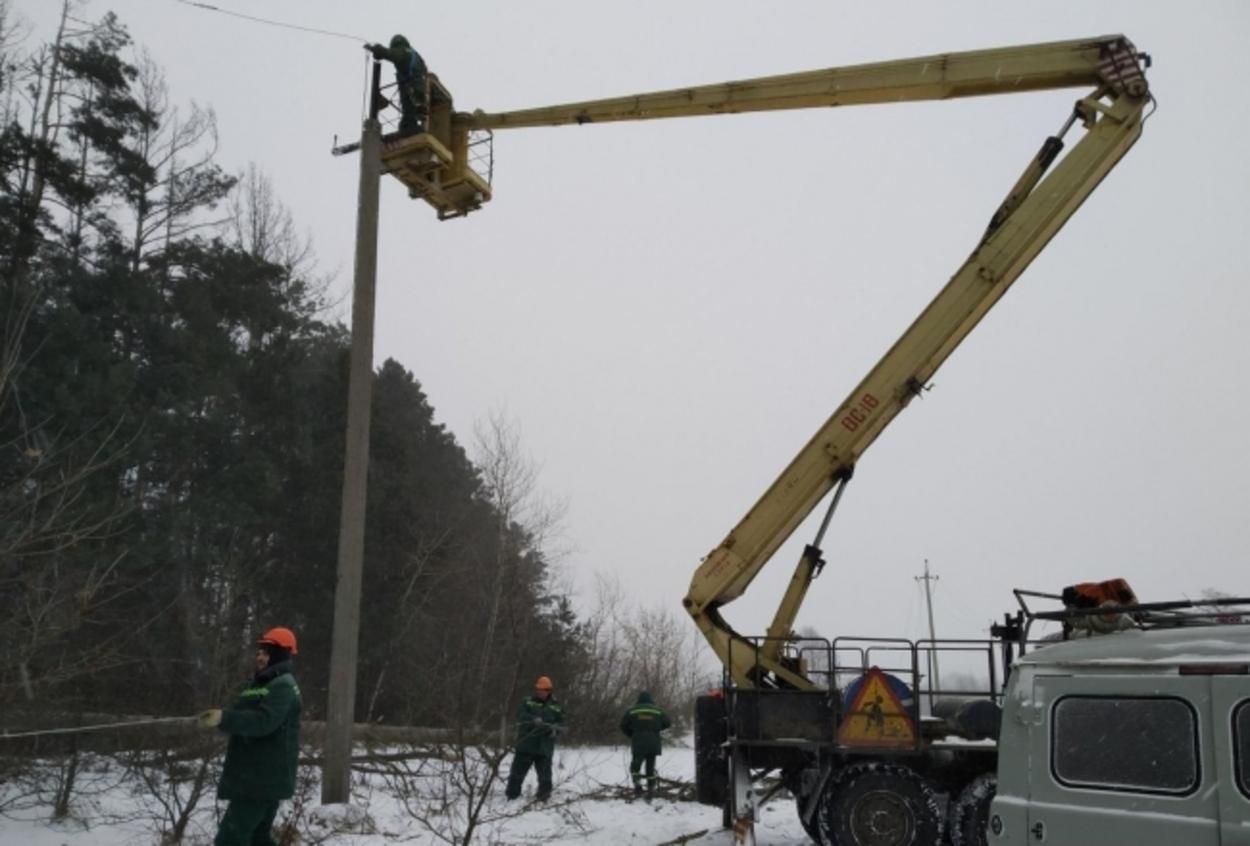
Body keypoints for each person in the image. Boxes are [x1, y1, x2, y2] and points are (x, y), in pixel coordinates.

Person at [197, 627, 303, 846]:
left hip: (261, 779)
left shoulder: (282, 686)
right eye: (259, 652)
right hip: (258, 776)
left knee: (230, 840)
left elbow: (263, 722)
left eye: (266, 652)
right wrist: (222, 716)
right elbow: (244, 712)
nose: (259, 657)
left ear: (280, 654)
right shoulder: (263, 683)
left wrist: (224, 718)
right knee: (257, 839)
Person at [504, 675, 564, 801]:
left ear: (548, 690)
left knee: (545, 777)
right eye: (538, 689)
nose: (539, 691)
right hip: (526, 744)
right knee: (517, 774)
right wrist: (532, 720)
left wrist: (554, 731)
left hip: (544, 748)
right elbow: (520, 714)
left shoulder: (556, 706)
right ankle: (512, 796)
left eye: (542, 689)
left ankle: (543, 797)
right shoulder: (527, 701)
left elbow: (561, 723)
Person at [367, 35, 428, 135]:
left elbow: (393, 54)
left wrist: (380, 50)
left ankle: (410, 127)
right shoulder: (413, 55)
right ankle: (411, 126)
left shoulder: (404, 52)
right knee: (408, 119)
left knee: (408, 119)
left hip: (416, 90)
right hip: (415, 90)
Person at [619, 691, 672, 799]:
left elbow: (623, 725)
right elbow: (668, 723)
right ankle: (650, 789)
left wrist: (632, 734)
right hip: (653, 742)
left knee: (636, 764)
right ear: (651, 699)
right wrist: (655, 729)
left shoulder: (632, 710)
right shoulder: (658, 710)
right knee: (650, 766)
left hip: (638, 742)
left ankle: (637, 784)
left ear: (639, 699)